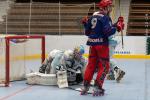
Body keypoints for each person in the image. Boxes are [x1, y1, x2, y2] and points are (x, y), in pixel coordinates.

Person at [80, 0, 124, 96]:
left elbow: (87, 32)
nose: (111, 9)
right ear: (105, 7)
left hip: (92, 45)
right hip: (102, 45)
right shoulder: (105, 17)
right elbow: (107, 31)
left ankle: (85, 87)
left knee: (91, 65)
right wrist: (118, 28)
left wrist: (116, 24)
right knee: (104, 66)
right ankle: (97, 87)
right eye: (109, 7)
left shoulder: (93, 17)